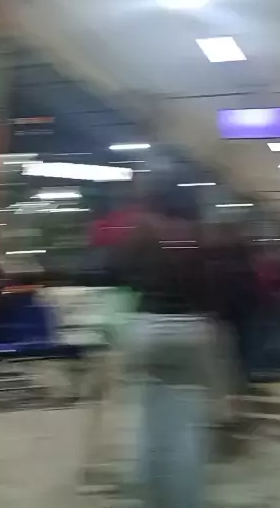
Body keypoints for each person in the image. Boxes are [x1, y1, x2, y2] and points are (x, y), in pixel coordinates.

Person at [110, 177, 218, 508]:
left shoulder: (142, 232)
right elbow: (208, 290)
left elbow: (119, 274)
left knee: (150, 422)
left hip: (147, 329)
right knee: (185, 426)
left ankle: (150, 497)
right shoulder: (195, 237)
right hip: (188, 331)